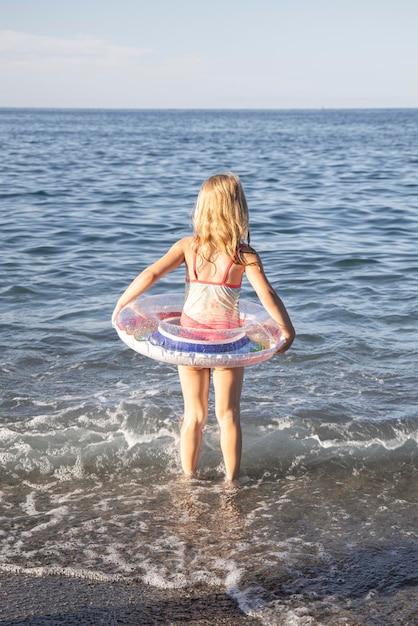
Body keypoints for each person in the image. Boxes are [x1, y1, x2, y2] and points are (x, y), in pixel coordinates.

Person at [112, 173, 295, 481]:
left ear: (203, 208)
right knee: (228, 416)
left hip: (190, 340)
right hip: (226, 345)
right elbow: (268, 294)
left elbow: (151, 274)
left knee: (194, 416)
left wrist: (121, 305)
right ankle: (230, 483)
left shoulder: (188, 247)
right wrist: (286, 329)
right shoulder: (243, 254)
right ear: (237, 208)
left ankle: (187, 479)